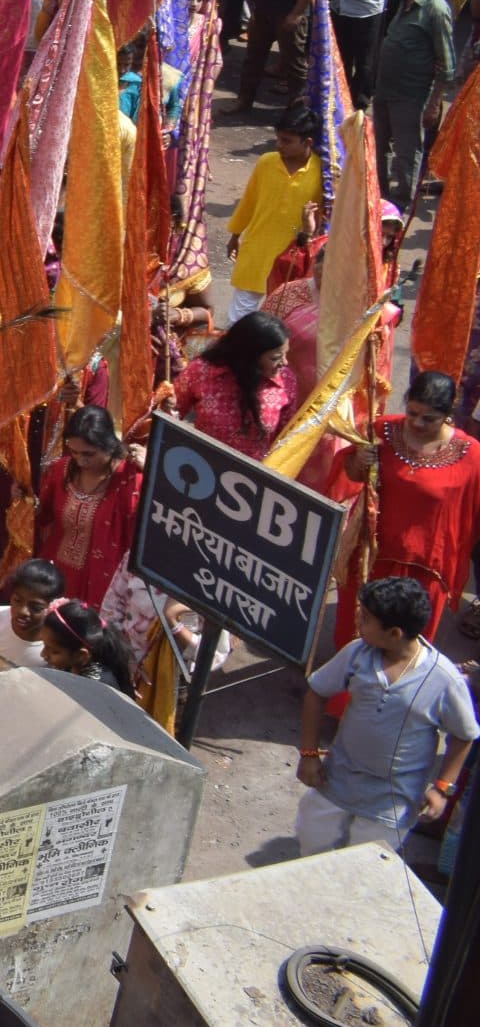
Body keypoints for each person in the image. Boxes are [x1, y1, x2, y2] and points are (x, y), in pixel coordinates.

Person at [297, 576, 478, 854]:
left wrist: (442, 787)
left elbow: (464, 735)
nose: (358, 621)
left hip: (391, 806)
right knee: (310, 852)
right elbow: (316, 693)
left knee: (364, 869)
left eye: (366, 619)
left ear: (394, 633)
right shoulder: (357, 653)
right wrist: (308, 755)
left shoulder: (444, 679)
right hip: (334, 784)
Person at [336, 370, 480, 634]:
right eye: (412, 413)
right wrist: (360, 460)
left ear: (448, 413)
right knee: (357, 630)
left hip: (425, 565)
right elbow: (354, 475)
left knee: (404, 640)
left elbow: (471, 514)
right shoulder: (382, 430)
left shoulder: (470, 455)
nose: (417, 423)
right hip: (372, 551)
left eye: (429, 418)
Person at [34, 406, 145, 613]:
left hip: (102, 584)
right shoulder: (61, 470)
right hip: (57, 575)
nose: (80, 460)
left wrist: (151, 471)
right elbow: (41, 516)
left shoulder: (131, 480)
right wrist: (24, 503)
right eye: (74, 452)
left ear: (109, 446)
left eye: (89, 454)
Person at [375, 0, 455, 204]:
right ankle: (379, 195)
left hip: (411, 95)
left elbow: (447, 64)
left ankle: (401, 202)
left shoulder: (435, 10)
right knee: (379, 145)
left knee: (407, 151)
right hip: (385, 88)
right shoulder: (403, 1)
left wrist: (434, 103)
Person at [225, 115, 321, 324]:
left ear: (307, 142)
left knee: (281, 319)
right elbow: (249, 201)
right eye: (278, 138)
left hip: (293, 256)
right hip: (256, 249)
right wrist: (235, 235)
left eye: (286, 141)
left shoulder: (324, 173)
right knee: (238, 319)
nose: (279, 145)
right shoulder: (266, 162)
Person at [176, 313, 300, 461]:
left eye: (285, 354)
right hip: (200, 464)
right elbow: (170, 416)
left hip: (252, 472)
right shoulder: (201, 371)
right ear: (249, 357)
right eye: (275, 358)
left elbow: (285, 440)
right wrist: (167, 407)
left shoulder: (285, 381)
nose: (285, 363)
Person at [39, 599, 140, 696]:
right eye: (44, 645)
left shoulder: (96, 688)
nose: (43, 654)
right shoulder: (71, 665)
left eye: (54, 651)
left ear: (81, 655)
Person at [0, 561, 64, 675]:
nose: (23, 611)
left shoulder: (54, 646)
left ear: (52, 607)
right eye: (17, 600)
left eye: (36, 608)